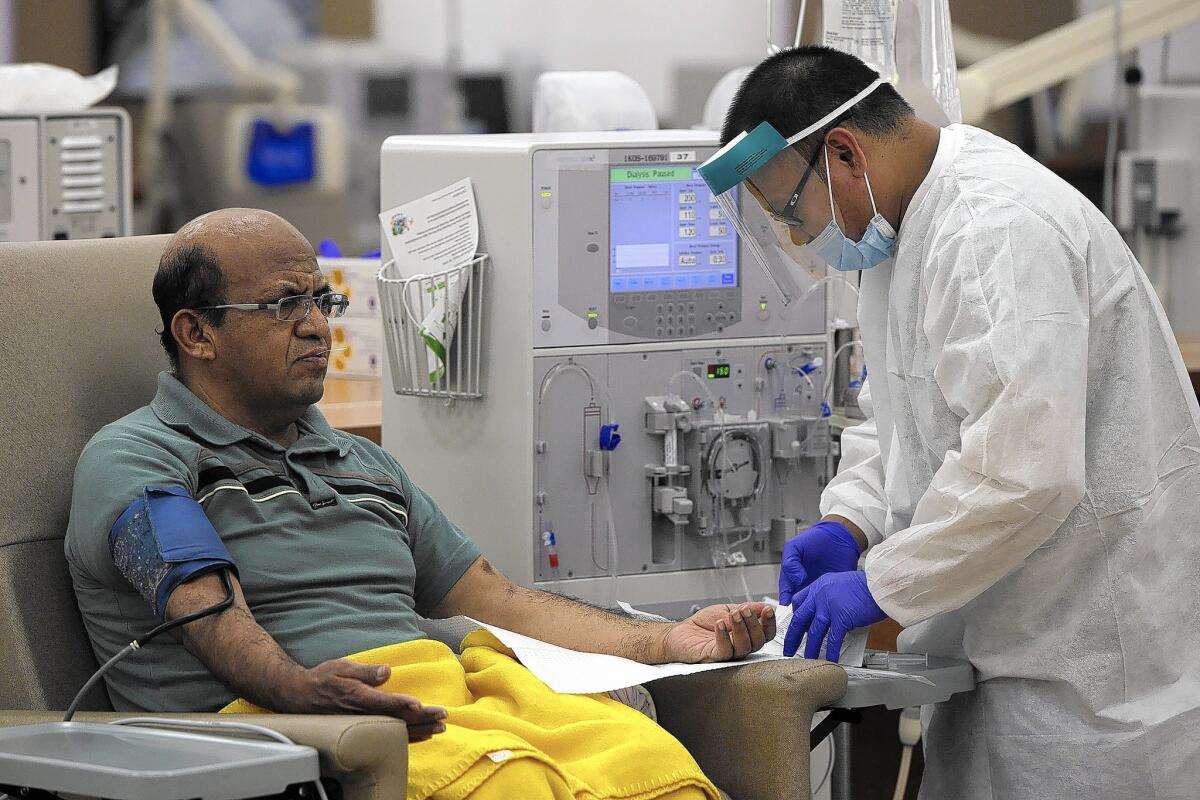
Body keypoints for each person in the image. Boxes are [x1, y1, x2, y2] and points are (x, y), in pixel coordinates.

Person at [64, 209, 773, 794]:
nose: (317, 325)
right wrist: (299, 688)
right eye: (284, 304)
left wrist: (662, 642)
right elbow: (205, 605)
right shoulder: (137, 457)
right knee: (518, 788)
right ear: (197, 333)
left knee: (658, 773)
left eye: (322, 299)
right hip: (284, 730)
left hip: (452, 694)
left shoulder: (363, 463)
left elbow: (497, 600)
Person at [700, 45, 1200, 798]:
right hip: (1002, 656)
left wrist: (879, 585)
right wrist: (850, 523)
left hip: (1090, 686)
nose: (797, 239)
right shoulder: (899, 237)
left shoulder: (990, 229)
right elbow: (899, 419)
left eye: (790, 211)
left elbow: (1022, 474)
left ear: (844, 153)